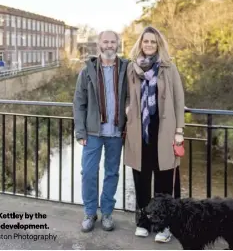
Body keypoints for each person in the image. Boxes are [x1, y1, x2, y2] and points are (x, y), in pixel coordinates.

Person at [124, 26, 185, 243]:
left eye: (153, 41)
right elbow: (126, 97)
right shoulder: (132, 68)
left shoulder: (168, 68)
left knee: (164, 180)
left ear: (158, 44)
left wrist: (179, 130)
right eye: (145, 41)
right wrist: (127, 110)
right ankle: (143, 221)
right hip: (139, 133)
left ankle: (164, 225)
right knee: (141, 179)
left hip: (164, 132)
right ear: (140, 44)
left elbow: (179, 100)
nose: (148, 45)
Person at [73, 30, 129, 233]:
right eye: (105, 41)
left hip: (116, 132)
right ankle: (90, 213)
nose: (109, 45)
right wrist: (80, 132)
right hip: (93, 132)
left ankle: (106, 213)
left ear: (118, 44)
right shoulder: (87, 70)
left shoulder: (126, 68)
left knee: (112, 173)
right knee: (88, 173)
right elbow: (79, 103)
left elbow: (135, 94)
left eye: (113, 42)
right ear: (99, 45)